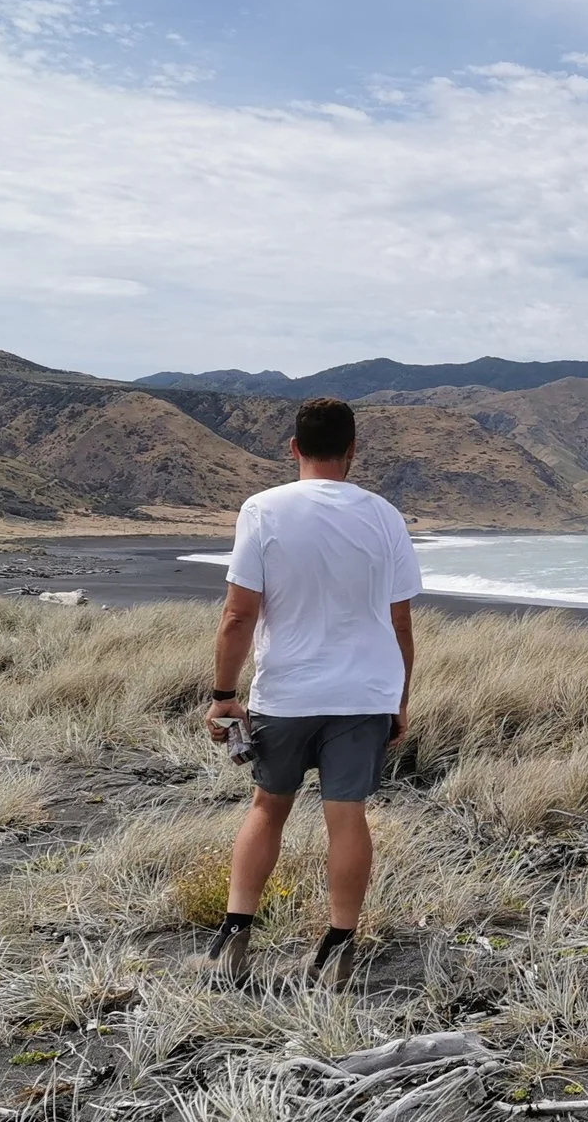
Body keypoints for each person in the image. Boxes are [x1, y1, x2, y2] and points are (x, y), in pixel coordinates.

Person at [200, 398, 421, 986]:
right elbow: (400, 625)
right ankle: (338, 948)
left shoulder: (263, 510)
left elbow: (238, 615)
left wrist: (224, 693)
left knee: (267, 809)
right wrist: (398, 700)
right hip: (365, 693)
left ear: (293, 448)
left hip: (288, 692)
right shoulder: (385, 517)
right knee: (347, 818)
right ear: (353, 450)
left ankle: (234, 934)